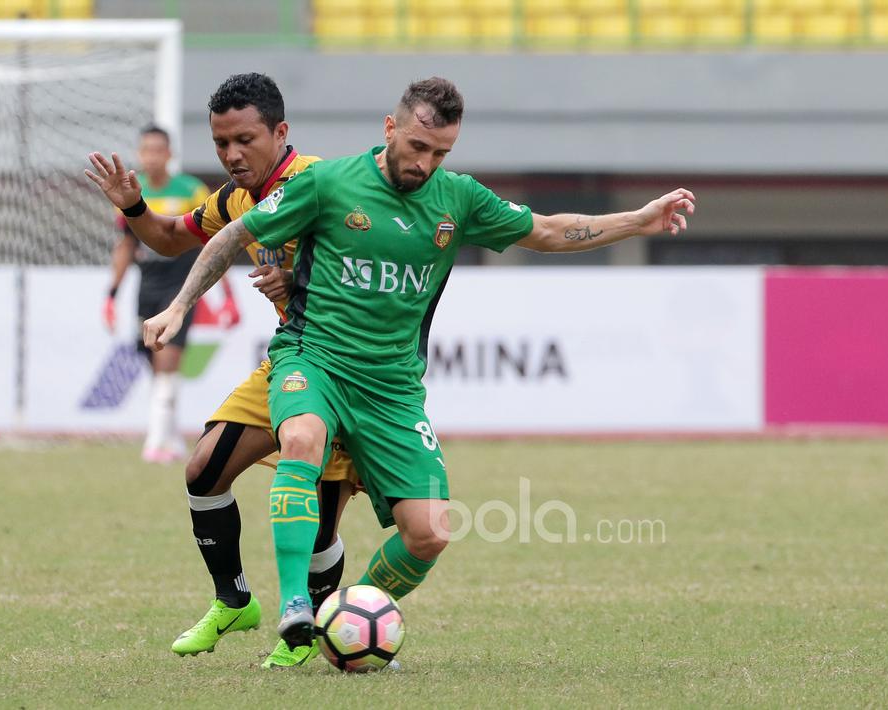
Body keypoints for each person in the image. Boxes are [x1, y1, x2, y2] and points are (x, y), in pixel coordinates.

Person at [141, 77, 696, 652]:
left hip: (392, 389)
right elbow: (236, 233)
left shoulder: (457, 198)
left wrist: (638, 219)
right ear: (390, 128)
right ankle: (293, 606)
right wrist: (181, 305)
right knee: (299, 440)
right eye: (417, 147)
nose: (425, 163)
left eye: (440, 153)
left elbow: (549, 231)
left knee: (430, 532)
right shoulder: (329, 182)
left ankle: (347, 618)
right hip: (314, 359)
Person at [86, 73, 360, 668]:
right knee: (203, 470)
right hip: (293, 355)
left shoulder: (323, 183)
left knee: (316, 522)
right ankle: (234, 600)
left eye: (245, 140)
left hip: (350, 365)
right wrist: (133, 204)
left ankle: (310, 632)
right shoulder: (235, 200)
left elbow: (375, 255)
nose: (232, 155)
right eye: (220, 143)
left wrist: (307, 281)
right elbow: (166, 237)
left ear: (279, 133)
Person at [104, 125, 211, 464]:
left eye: (157, 149)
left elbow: (214, 243)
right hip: (146, 288)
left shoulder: (192, 191)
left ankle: (154, 441)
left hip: (181, 288)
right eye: (145, 149)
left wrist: (225, 295)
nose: (151, 156)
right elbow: (125, 246)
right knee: (156, 364)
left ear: (170, 154)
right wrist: (112, 294)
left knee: (168, 361)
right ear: (139, 154)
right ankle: (172, 437)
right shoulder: (131, 195)